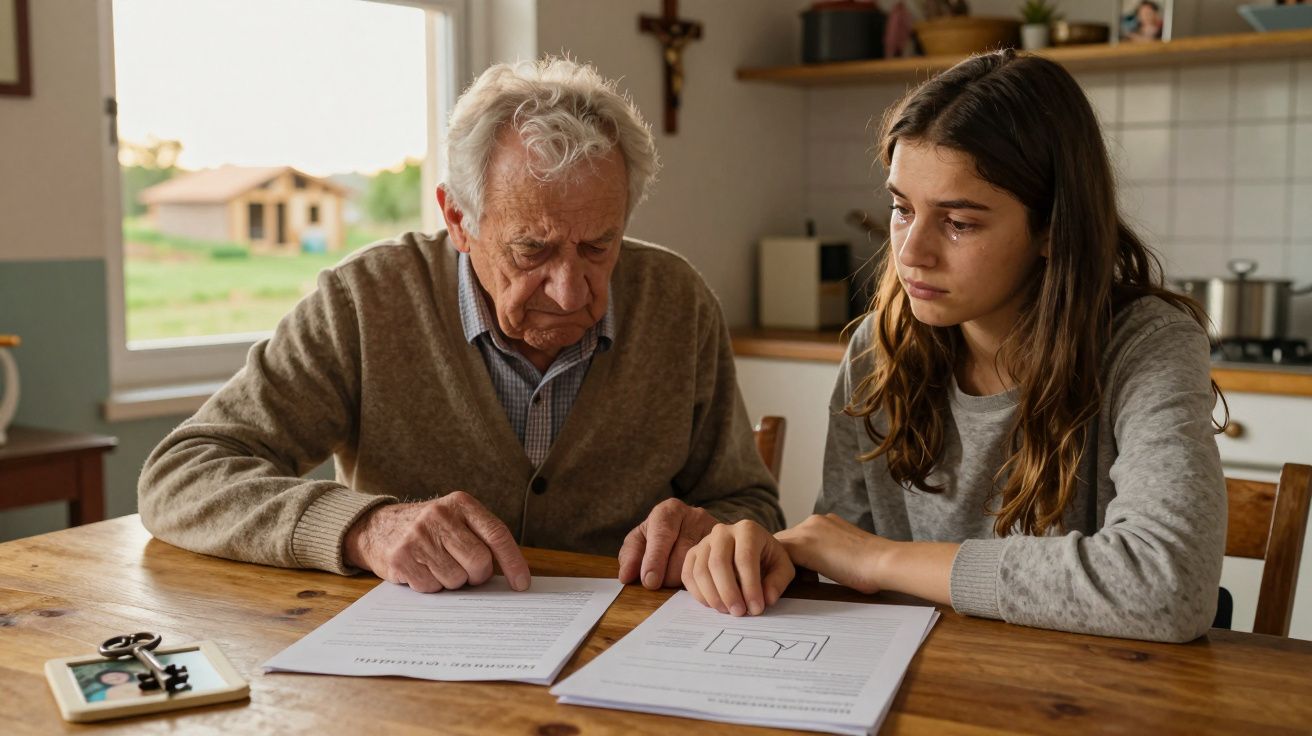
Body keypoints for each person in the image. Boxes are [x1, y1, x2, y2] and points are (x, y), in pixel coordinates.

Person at [138, 57, 783, 594]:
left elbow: (750, 506)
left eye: (598, 246)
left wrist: (716, 534)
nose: (569, 290)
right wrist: (366, 528)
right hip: (413, 667)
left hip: (625, 650)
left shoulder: (677, 302)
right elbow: (180, 475)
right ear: (457, 219)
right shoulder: (366, 302)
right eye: (531, 250)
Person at [681, 49, 1226, 643]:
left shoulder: (1146, 345)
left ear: (1052, 229)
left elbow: (1169, 586)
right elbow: (839, 567)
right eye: (901, 209)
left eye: (959, 223)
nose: (910, 252)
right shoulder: (876, 349)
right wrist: (771, 556)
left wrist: (880, 558)